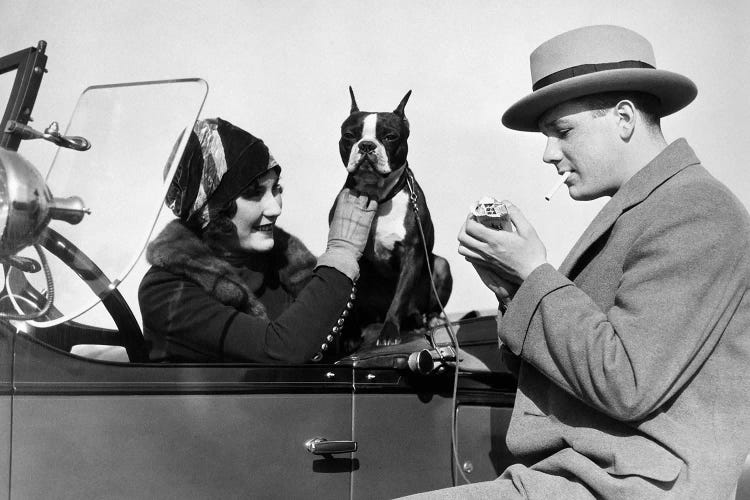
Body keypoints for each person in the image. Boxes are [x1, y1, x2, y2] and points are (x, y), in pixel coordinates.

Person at [407, 25, 750, 499]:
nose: (549, 154)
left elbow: (625, 381)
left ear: (624, 117)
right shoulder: (650, 208)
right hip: (584, 479)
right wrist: (514, 288)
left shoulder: (696, 210)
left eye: (562, 131)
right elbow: (579, 364)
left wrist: (534, 275)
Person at [138, 117, 377, 363]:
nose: (274, 208)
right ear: (212, 207)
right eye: (254, 193)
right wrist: (341, 254)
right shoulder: (166, 292)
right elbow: (282, 348)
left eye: (276, 189)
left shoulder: (285, 269)